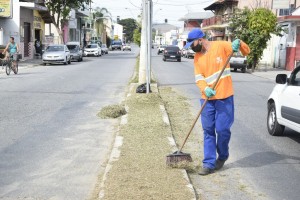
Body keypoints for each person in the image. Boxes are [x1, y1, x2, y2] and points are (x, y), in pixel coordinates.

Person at [184, 28, 250, 175]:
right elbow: (199, 77)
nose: (192, 48)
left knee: (222, 130)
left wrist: (239, 44)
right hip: (207, 99)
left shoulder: (221, 46)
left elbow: (246, 52)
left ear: (200, 40)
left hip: (224, 97)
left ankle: (223, 155)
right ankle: (208, 163)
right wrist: (205, 89)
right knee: (208, 130)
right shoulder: (197, 57)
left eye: (192, 44)